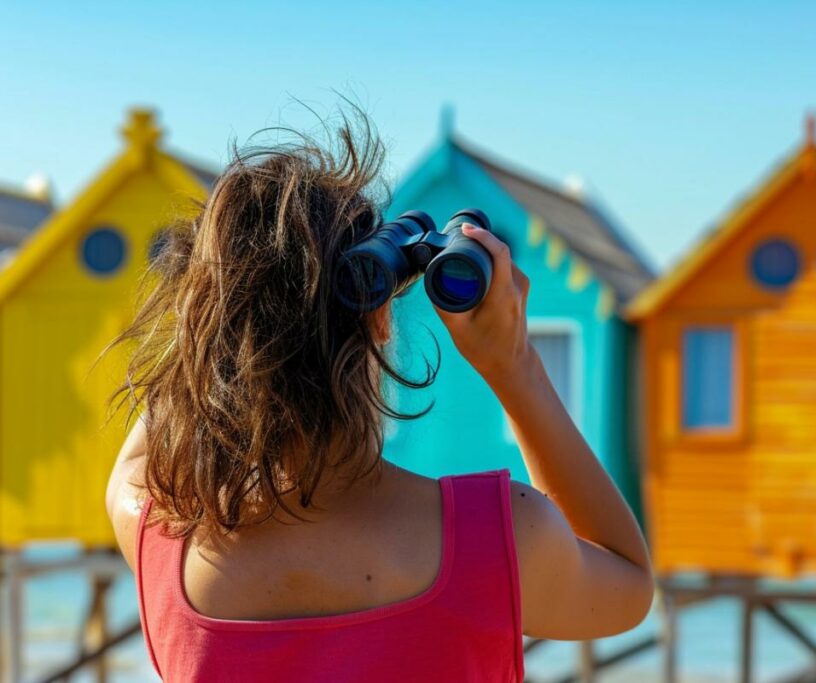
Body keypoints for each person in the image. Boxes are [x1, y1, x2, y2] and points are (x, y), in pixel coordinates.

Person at [103, 112, 654, 682]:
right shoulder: (501, 537)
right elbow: (627, 579)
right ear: (381, 318)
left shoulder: (161, 539)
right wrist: (514, 364)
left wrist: (219, 303)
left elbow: (139, 457)